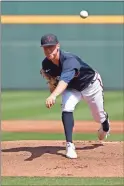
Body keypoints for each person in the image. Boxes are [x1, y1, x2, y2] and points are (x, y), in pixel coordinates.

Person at [40, 33, 110, 159]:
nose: (49, 50)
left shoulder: (69, 60)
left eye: (51, 46)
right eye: (46, 47)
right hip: (72, 89)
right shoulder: (46, 64)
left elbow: (64, 81)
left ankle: (105, 124)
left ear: (58, 46)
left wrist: (54, 96)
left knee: (97, 116)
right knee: (66, 107)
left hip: (91, 85)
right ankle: (69, 145)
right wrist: (51, 85)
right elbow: (55, 85)